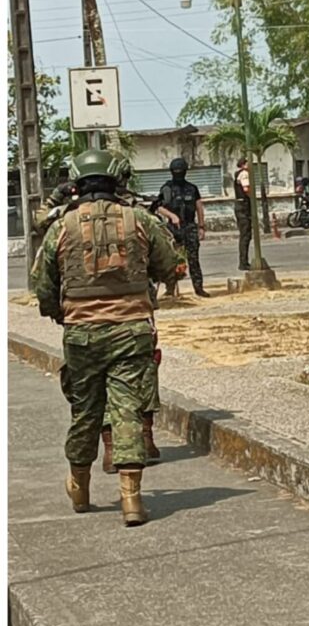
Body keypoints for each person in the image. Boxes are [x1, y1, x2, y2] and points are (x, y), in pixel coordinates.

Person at [32, 148, 178, 526]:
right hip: (132, 332)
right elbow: (169, 265)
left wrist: (59, 313)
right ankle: (131, 500)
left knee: (85, 411)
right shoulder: (141, 220)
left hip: (81, 334)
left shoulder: (61, 227)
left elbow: (43, 285)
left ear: (76, 183)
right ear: (118, 180)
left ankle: (79, 488)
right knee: (127, 410)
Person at [156, 157, 209, 297]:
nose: (178, 173)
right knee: (172, 260)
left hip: (190, 227)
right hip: (173, 229)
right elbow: (158, 207)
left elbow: (199, 207)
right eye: (176, 171)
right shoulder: (166, 188)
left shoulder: (192, 188)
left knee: (193, 259)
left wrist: (201, 227)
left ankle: (199, 288)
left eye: (180, 170)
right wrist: (172, 216)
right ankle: (170, 288)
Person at [233, 157, 252, 271]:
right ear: (244, 164)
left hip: (240, 206)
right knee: (245, 235)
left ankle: (243, 261)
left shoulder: (237, 174)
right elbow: (246, 189)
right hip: (243, 207)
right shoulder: (244, 174)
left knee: (244, 235)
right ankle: (243, 262)